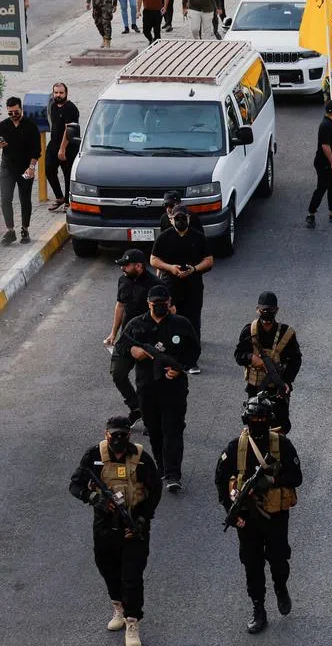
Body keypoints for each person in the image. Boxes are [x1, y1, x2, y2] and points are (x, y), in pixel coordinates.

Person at [69, 416, 162, 646]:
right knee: (108, 569)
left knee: (132, 577)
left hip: (133, 526)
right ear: (106, 435)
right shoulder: (94, 456)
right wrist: (94, 498)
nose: (118, 439)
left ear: (129, 435)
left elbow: (155, 490)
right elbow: (75, 485)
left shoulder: (141, 459)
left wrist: (143, 519)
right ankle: (118, 607)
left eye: (123, 435)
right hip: (104, 526)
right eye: (114, 435)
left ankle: (132, 621)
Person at [215, 394, 302, 634]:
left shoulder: (281, 445)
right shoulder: (236, 447)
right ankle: (258, 608)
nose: (259, 423)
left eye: (263, 419)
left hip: (275, 515)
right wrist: (230, 511)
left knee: (279, 559)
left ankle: (280, 587)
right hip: (247, 516)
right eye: (254, 419)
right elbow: (220, 479)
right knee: (252, 564)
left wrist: (270, 481)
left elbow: (296, 477)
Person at [115, 284, 199, 491]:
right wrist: (133, 351)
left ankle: (173, 474)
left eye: (163, 303)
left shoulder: (181, 324)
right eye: (155, 304)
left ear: (169, 303)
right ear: (148, 304)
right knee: (154, 430)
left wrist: (179, 368)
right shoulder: (136, 325)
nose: (159, 307)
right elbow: (121, 347)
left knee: (173, 429)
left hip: (174, 388)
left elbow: (194, 351)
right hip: (147, 388)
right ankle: (161, 467)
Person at [150, 204, 212, 373]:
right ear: (171, 220)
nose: (180, 221)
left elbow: (209, 260)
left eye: (183, 218)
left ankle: (192, 361)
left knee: (193, 322)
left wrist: (194, 269)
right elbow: (154, 259)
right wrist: (170, 268)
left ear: (189, 218)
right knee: (170, 321)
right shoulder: (164, 237)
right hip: (171, 287)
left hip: (193, 287)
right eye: (177, 218)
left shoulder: (199, 237)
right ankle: (172, 358)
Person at [105, 249, 162, 423]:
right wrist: (113, 333)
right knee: (117, 373)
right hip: (127, 337)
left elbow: (168, 313)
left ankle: (151, 419)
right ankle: (136, 408)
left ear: (138, 266)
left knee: (146, 384)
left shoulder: (155, 285)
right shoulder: (123, 280)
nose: (122, 268)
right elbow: (120, 306)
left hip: (148, 340)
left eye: (126, 265)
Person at [234, 291, 302, 433]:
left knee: (280, 427)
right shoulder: (249, 331)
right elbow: (239, 355)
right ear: (257, 309)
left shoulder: (286, 333)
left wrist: (287, 381)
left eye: (270, 310)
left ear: (276, 310)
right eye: (263, 310)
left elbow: (296, 360)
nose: (266, 313)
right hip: (255, 388)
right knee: (255, 426)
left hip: (277, 389)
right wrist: (252, 359)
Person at [0, 96, 42, 246]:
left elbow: (36, 150)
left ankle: (25, 229)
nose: (13, 115)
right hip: (7, 168)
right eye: (10, 113)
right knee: (5, 198)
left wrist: (31, 168)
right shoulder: (3, 125)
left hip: (25, 168)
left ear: (21, 109)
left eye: (16, 112)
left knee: (24, 198)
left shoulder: (31, 126)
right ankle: (10, 230)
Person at [305, 100, 332, 227]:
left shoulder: (331, 123)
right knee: (321, 188)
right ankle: (311, 214)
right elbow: (325, 146)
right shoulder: (325, 125)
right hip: (324, 164)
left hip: (330, 163)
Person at [45, 83, 81, 210]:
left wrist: (62, 149)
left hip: (68, 146)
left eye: (61, 93)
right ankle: (59, 198)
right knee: (49, 170)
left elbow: (68, 129)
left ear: (66, 93)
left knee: (67, 174)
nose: (58, 95)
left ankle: (68, 201)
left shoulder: (70, 108)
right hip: (54, 144)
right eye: (56, 92)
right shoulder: (53, 106)